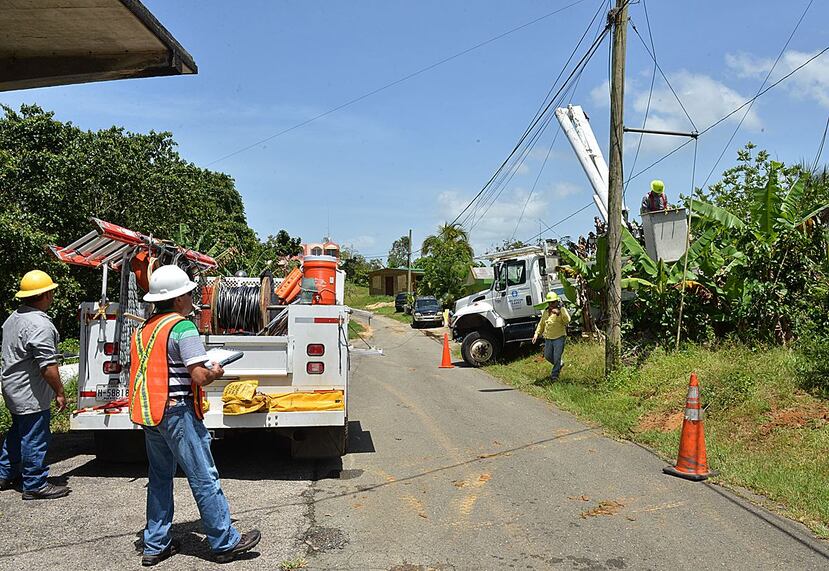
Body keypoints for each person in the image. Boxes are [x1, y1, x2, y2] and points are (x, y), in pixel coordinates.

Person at [130, 264, 260, 566]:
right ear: (177, 299)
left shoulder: (144, 330)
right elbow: (199, 376)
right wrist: (215, 369)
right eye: (189, 293)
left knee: (160, 478)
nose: (193, 297)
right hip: (178, 414)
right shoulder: (182, 327)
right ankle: (224, 541)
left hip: (152, 413)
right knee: (204, 477)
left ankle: (156, 544)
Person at [0, 270, 70, 500]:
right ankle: (35, 483)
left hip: (12, 387)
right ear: (45, 295)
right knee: (35, 436)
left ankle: (5, 473)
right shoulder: (40, 325)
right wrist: (59, 392)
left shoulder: (14, 318)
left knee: (18, 432)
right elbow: (47, 366)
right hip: (29, 393)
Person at [531, 292, 570, 382]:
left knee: (557, 357)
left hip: (559, 337)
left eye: (553, 302)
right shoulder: (546, 311)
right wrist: (536, 334)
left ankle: (554, 375)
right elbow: (541, 324)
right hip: (548, 338)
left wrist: (560, 311)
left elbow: (567, 320)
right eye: (549, 303)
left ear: (557, 302)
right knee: (548, 356)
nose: (551, 305)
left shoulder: (561, 310)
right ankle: (559, 364)